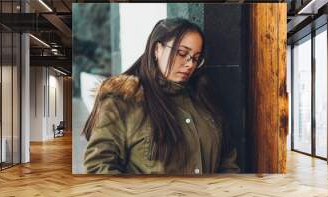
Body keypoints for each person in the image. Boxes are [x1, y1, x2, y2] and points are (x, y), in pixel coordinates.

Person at [82, 18, 240, 175]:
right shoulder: (123, 101)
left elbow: (228, 161)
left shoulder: (205, 100)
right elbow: (98, 166)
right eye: (182, 53)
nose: (190, 64)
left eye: (196, 58)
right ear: (157, 49)